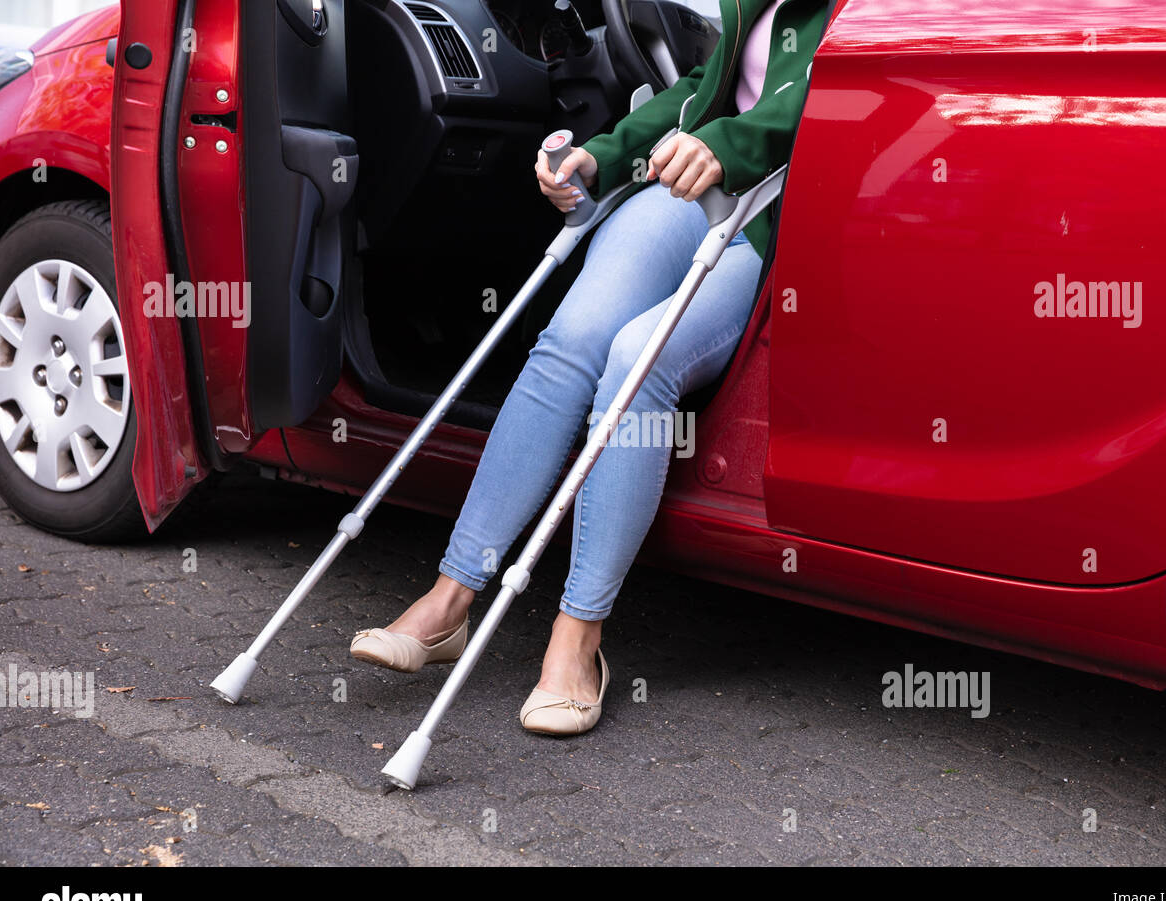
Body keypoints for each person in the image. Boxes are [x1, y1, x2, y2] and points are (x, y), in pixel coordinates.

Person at [350, 0, 832, 735]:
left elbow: (828, 98)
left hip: (770, 223)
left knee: (639, 362)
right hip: (691, 194)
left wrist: (731, 147)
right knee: (572, 340)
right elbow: (706, 84)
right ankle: (451, 598)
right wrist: (603, 156)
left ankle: (578, 637)